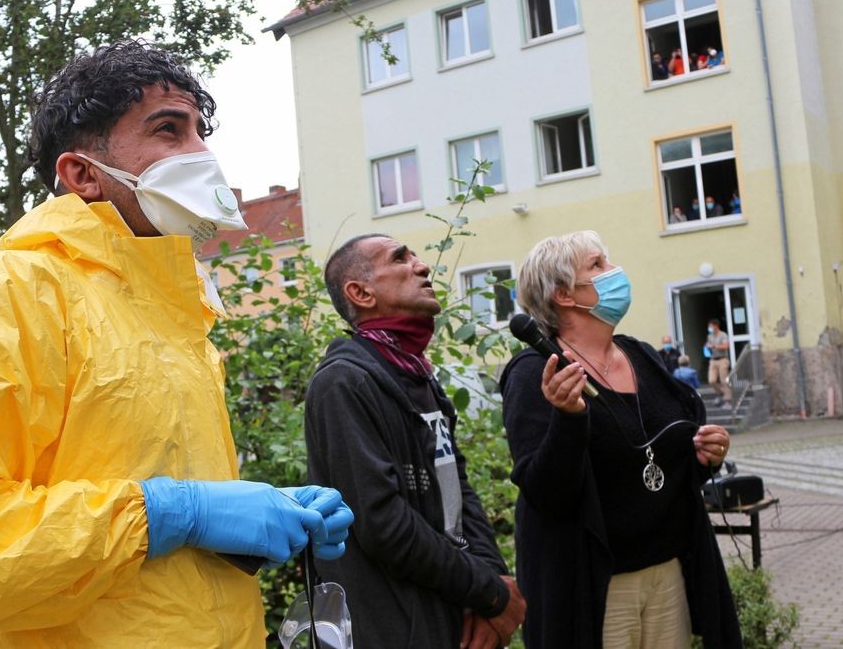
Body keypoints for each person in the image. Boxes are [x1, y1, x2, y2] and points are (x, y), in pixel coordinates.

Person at [0, 39, 353, 648]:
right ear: (82, 174)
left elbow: (158, 493)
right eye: (168, 130)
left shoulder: (176, 313)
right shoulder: (8, 295)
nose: (201, 153)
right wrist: (172, 514)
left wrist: (262, 511)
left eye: (200, 132)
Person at [500, 231, 740, 649]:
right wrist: (568, 418)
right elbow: (546, 492)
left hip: (667, 571)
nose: (614, 272)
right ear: (563, 295)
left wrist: (705, 456)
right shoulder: (537, 372)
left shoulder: (641, 355)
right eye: (597, 266)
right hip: (596, 585)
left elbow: (667, 452)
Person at [304, 234, 526, 648]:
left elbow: (457, 491)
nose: (422, 266)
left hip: (450, 612)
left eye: (417, 257)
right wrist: (489, 592)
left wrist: (490, 585)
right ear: (361, 292)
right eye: (400, 258)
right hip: (394, 628)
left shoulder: (416, 376)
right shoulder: (343, 384)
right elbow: (384, 525)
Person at [705, 318, 733, 405]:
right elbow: (708, 345)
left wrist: (714, 346)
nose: (709, 328)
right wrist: (707, 347)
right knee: (711, 380)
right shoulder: (709, 336)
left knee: (724, 381)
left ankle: (728, 400)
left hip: (722, 359)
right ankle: (721, 393)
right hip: (713, 360)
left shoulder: (723, 335)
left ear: (716, 326)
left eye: (710, 326)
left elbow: (725, 346)